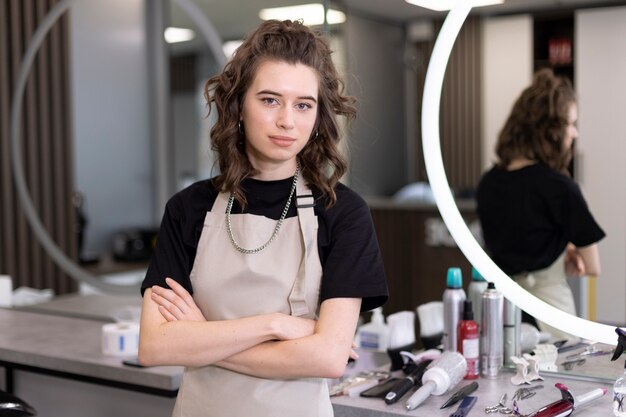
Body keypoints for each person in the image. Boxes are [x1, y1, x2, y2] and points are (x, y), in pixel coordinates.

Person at [138, 19, 388, 417]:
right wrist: (273, 325)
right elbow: (154, 347)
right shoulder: (188, 209)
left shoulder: (343, 212)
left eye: (303, 105)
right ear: (238, 107)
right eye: (270, 100)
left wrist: (200, 338)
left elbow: (328, 358)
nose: (288, 120)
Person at [476, 68, 605, 341]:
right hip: (548, 318)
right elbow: (592, 266)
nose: (575, 132)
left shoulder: (489, 182)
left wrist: (560, 246)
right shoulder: (559, 187)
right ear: (551, 131)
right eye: (570, 123)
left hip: (498, 315)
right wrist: (565, 253)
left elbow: (519, 236)